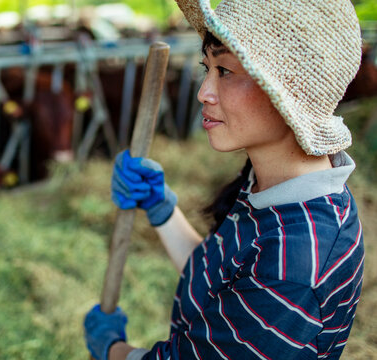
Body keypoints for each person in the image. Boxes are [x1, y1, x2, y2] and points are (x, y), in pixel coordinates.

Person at [84, 0, 365, 359]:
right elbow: (217, 278)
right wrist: (161, 209)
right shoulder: (268, 182)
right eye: (208, 67)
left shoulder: (295, 263)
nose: (204, 92)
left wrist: (113, 349)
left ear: (288, 89)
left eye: (226, 71)